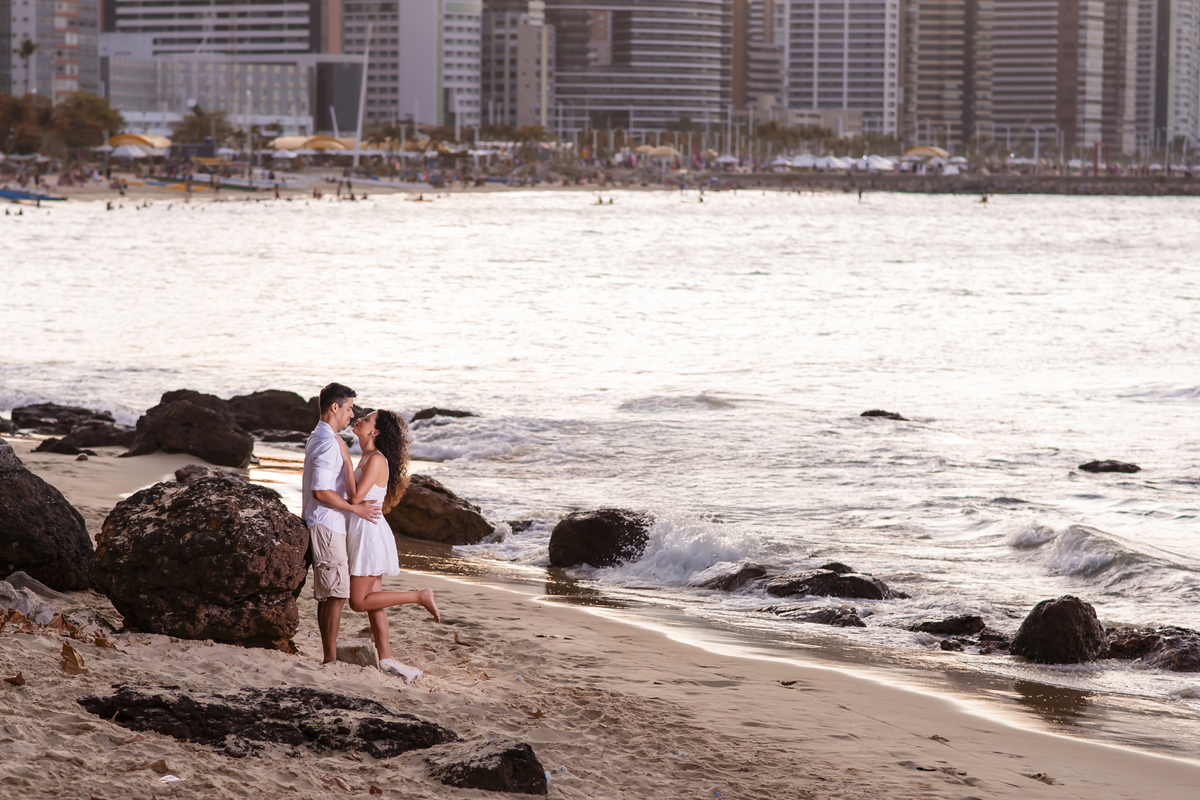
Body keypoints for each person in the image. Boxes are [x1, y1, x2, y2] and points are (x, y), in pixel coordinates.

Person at [345, 409, 440, 683]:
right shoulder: (368, 457)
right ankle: (385, 658)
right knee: (374, 602)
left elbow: (354, 496)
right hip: (368, 529)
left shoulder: (375, 459)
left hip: (368, 532)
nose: (359, 419)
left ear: (375, 432)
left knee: (358, 602)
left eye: (367, 419)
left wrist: (341, 461)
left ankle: (420, 596)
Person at [302, 382, 381, 664]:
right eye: (348, 408)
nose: (351, 415)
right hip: (326, 522)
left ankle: (329, 655)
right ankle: (330, 658)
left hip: (327, 522)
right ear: (335, 407)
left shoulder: (326, 438)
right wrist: (355, 509)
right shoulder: (326, 442)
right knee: (336, 594)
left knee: (331, 594)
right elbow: (321, 491)